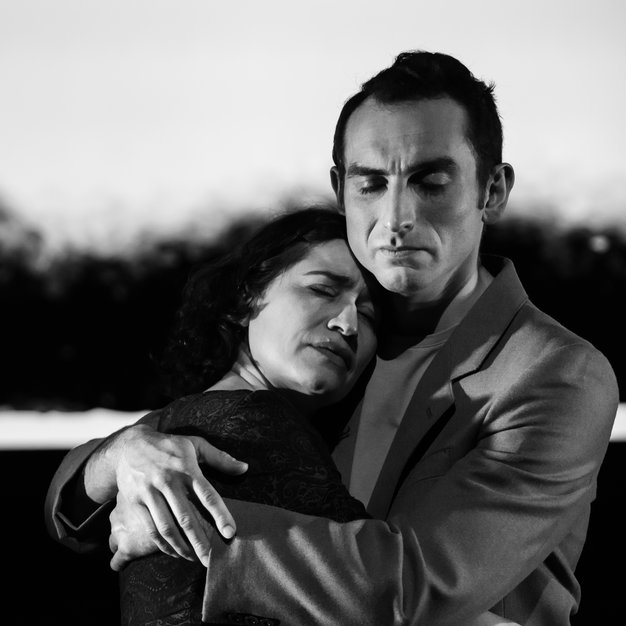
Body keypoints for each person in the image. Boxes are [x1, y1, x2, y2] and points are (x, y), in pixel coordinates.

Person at [45, 50, 619, 625]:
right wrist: (123, 459)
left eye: (430, 182)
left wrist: (191, 533)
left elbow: (421, 583)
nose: (395, 217)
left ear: (491, 191)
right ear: (341, 190)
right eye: (371, 184)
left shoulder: (558, 373)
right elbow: (88, 494)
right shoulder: (330, 354)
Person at [114, 208, 377, 625]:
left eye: (369, 314)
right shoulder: (254, 422)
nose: (348, 324)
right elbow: (387, 597)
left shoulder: (181, 422)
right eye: (323, 290)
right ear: (245, 300)